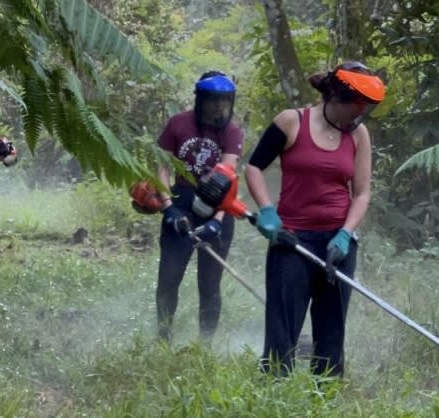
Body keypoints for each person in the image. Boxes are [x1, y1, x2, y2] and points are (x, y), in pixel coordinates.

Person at [245, 61, 386, 377]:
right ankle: (276, 396)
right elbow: (253, 167)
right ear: (335, 97)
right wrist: (268, 212)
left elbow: (361, 193)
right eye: (357, 107)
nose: (360, 115)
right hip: (292, 240)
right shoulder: (291, 122)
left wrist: (345, 235)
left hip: (337, 243)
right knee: (282, 333)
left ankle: (326, 398)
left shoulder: (359, 135)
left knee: (331, 334)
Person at [155, 71, 244, 344]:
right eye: (214, 100)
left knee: (210, 283)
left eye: (225, 101)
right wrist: (168, 207)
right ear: (201, 99)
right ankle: (163, 337)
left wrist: (217, 219)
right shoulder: (178, 124)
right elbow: (162, 166)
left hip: (216, 205)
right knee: (169, 278)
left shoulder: (232, 132)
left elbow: (227, 176)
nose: (220, 106)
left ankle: (205, 344)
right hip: (181, 201)